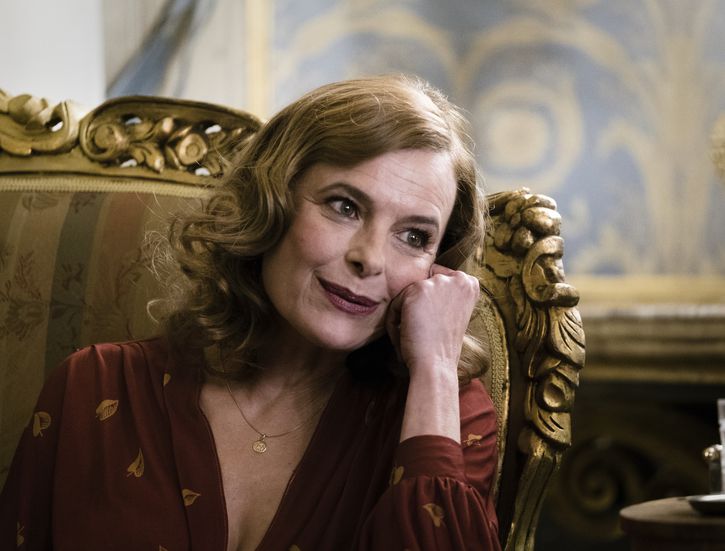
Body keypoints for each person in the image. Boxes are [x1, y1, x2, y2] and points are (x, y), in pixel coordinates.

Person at [0, 75, 501, 550]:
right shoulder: (95, 387)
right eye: (344, 206)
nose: (370, 258)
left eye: (413, 236)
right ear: (271, 202)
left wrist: (435, 368)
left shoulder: (448, 419)